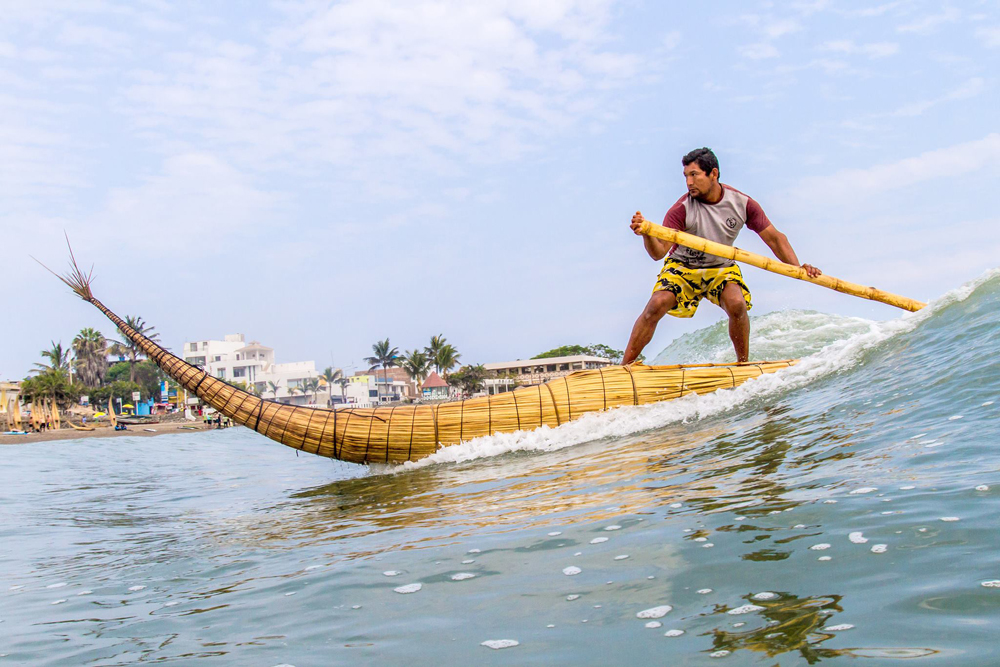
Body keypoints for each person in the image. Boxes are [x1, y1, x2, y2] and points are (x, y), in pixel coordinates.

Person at [623, 147, 820, 365]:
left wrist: (797, 268)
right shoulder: (681, 209)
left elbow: (774, 238)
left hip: (720, 267)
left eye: (694, 175)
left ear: (713, 174)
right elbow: (658, 253)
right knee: (656, 304)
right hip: (683, 267)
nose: (689, 183)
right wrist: (646, 234)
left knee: (737, 304)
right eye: (686, 176)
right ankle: (625, 367)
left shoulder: (742, 204)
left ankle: (742, 364)